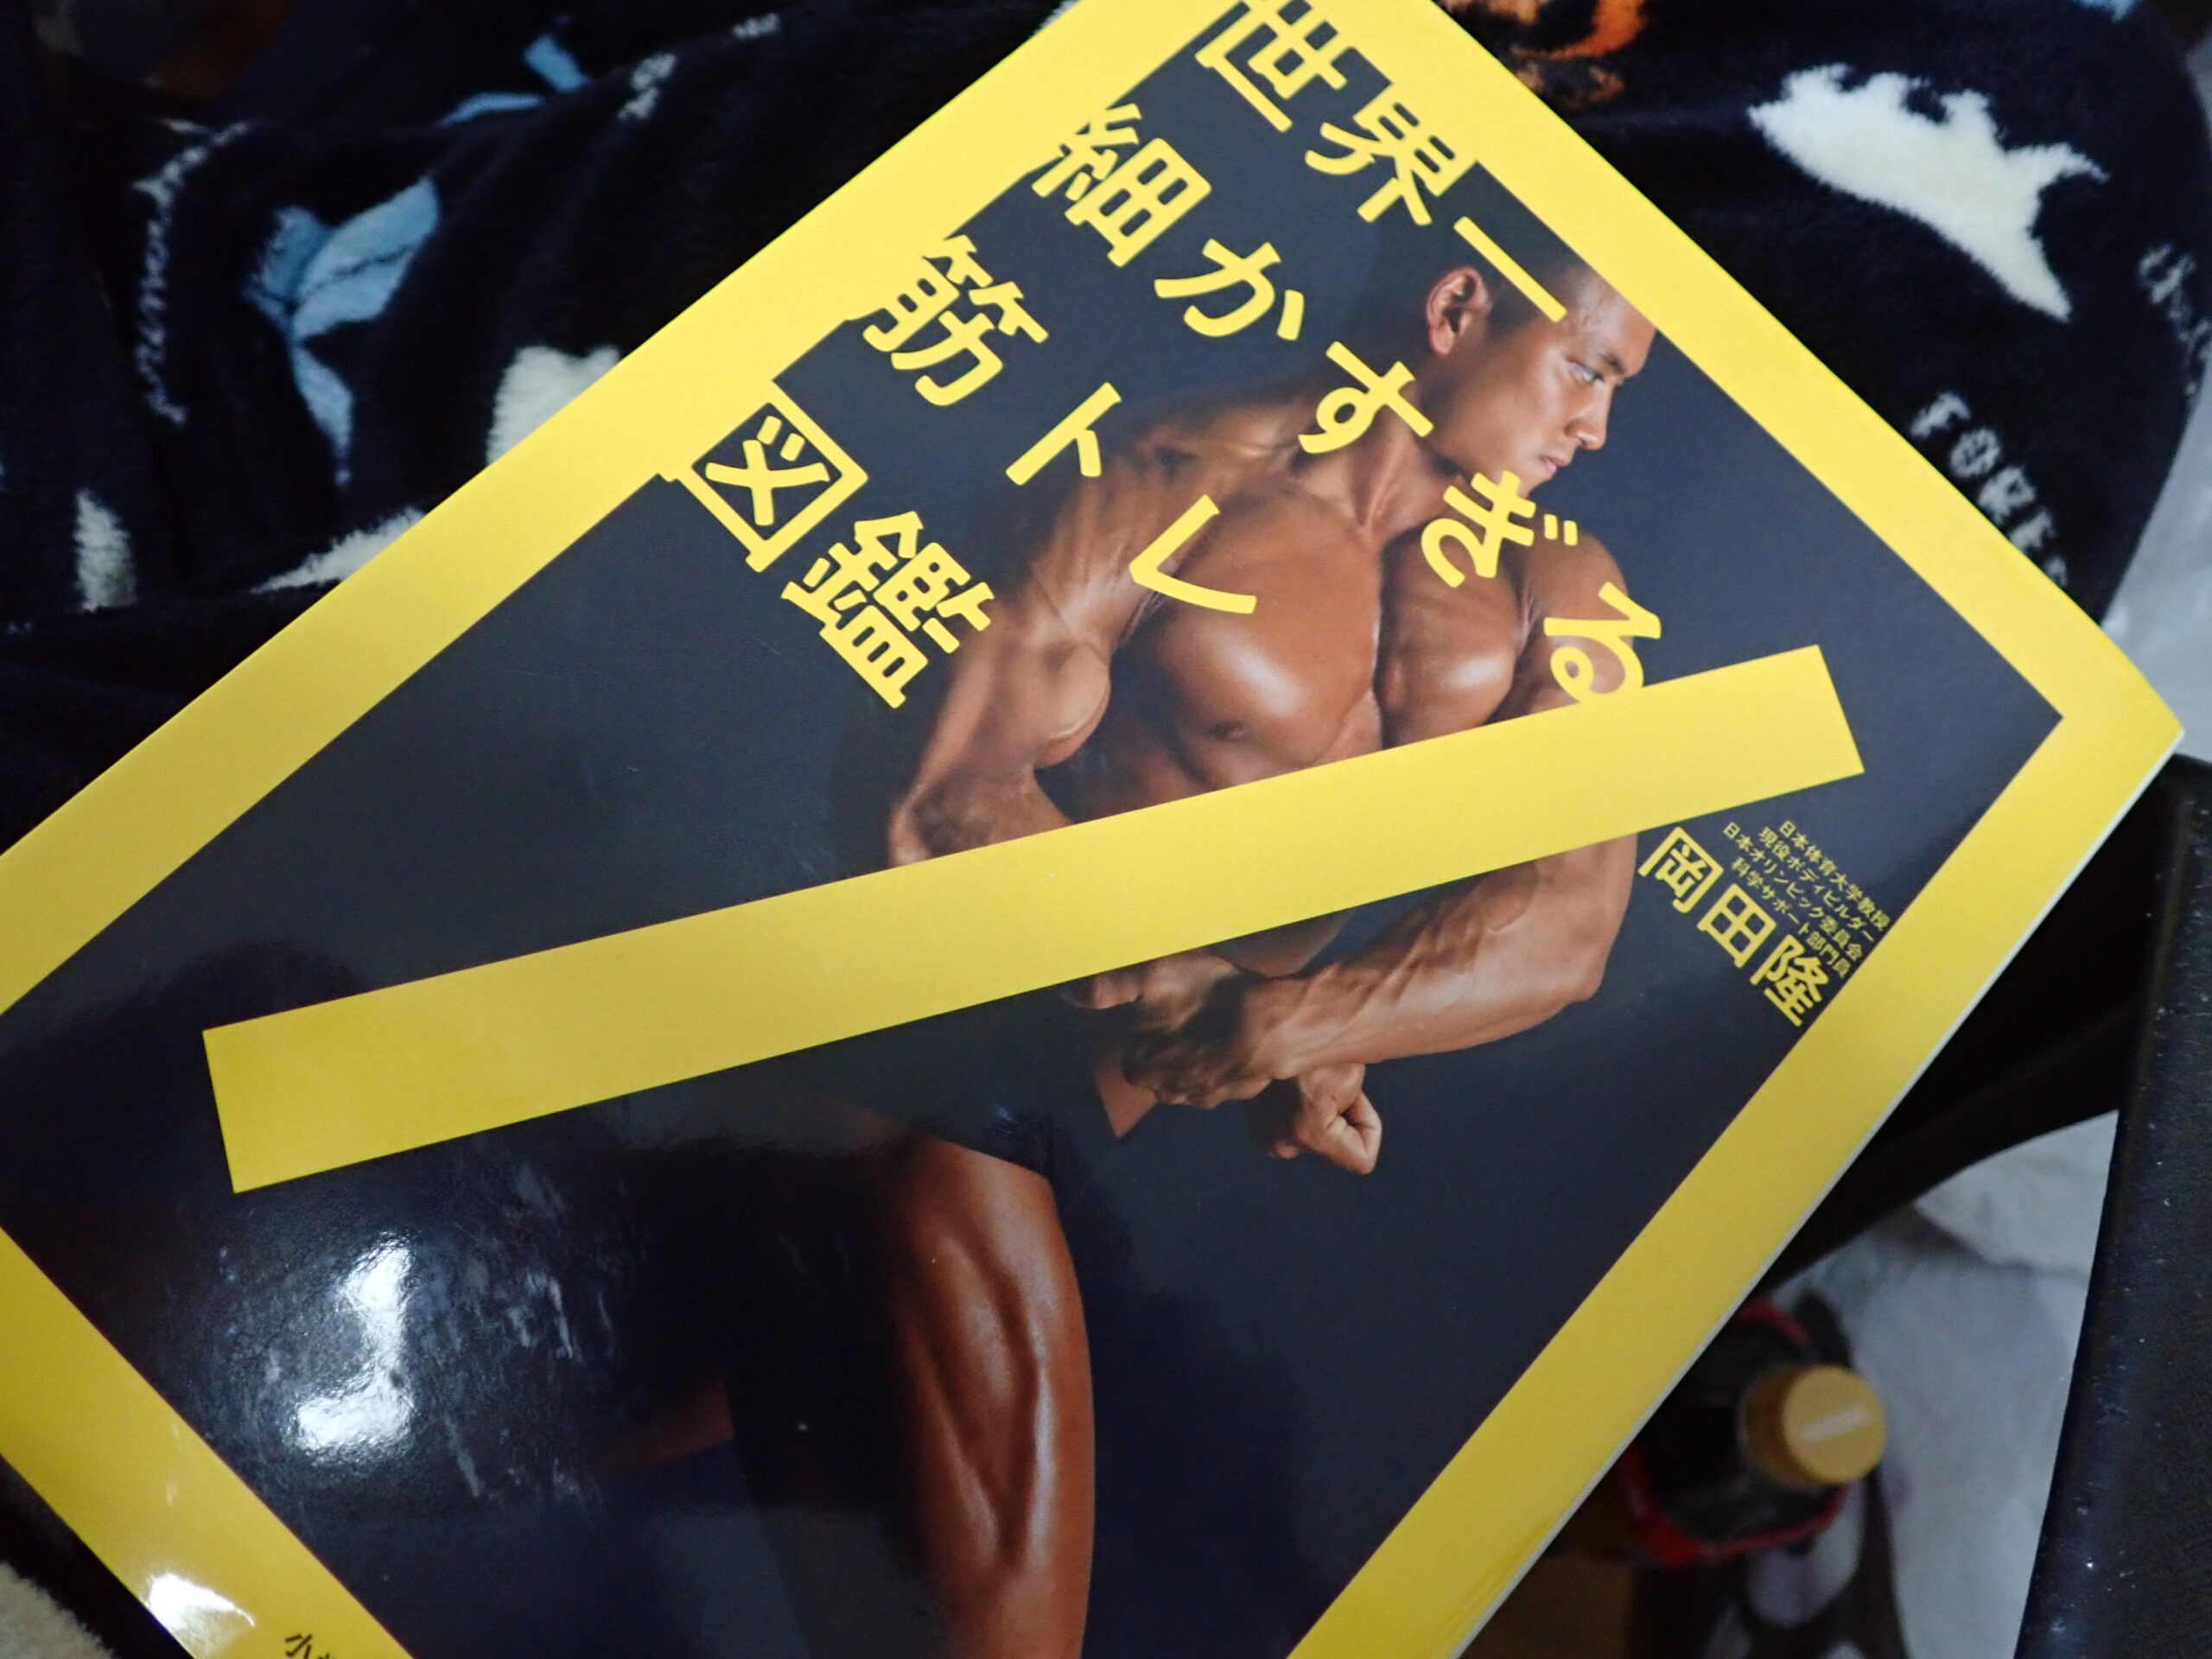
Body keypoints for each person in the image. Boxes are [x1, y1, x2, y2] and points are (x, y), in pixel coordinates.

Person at [865, 241, 1657, 1658]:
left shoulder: (1561, 585)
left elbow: (1568, 920)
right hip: (939, 1061)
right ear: (1460, 310)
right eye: (1586, 371)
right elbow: (950, 797)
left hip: (1095, 1133)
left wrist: (1305, 1023)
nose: (1596, 429)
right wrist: (1205, 986)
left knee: (651, 1410)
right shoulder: (1180, 475)